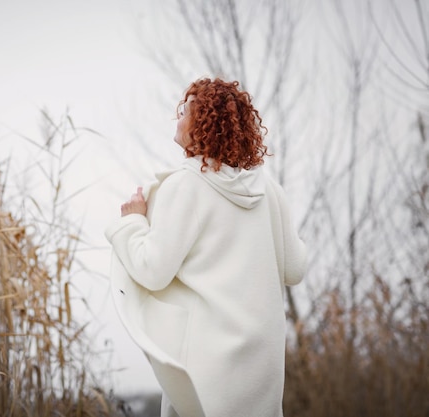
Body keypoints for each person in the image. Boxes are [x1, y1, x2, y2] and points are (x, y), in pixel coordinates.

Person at [105, 77, 306, 417]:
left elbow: (152, 271)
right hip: (262, 364)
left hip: (208, 363)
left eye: (185, 111)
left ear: (203, 124)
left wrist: (132, 222)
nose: (178, 117)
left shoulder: (187, 185)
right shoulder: (269, 190)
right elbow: (295, 269)